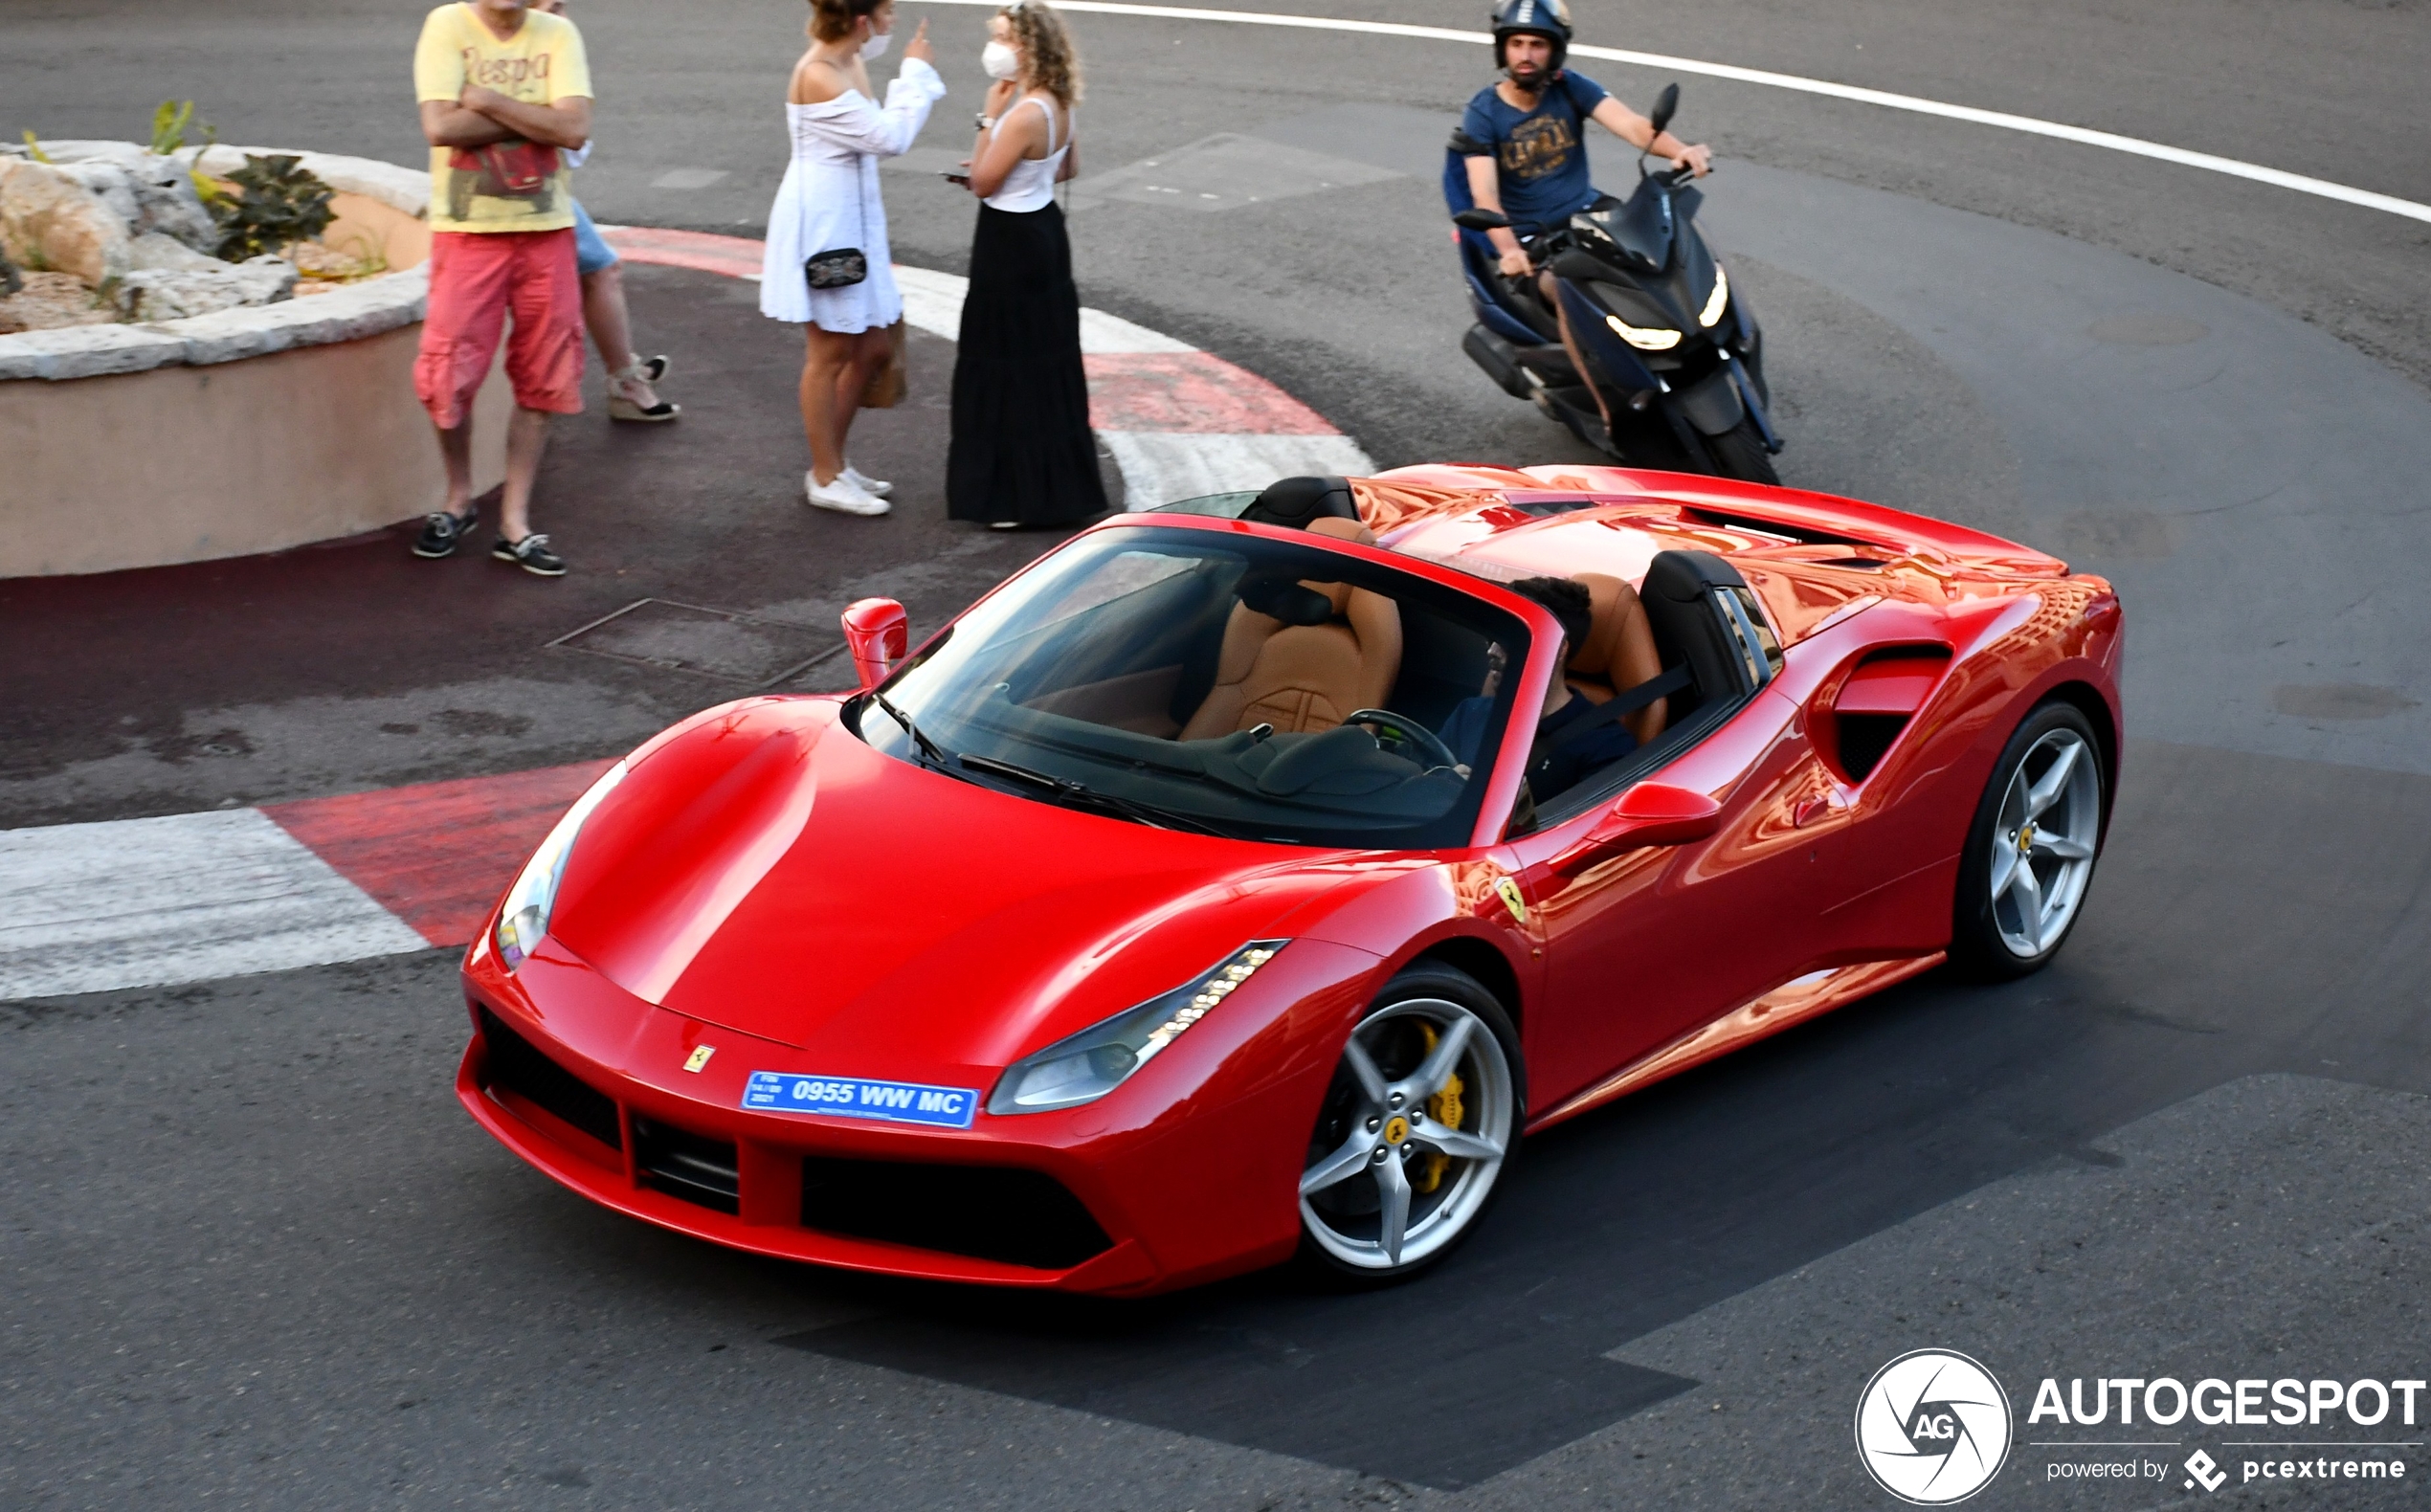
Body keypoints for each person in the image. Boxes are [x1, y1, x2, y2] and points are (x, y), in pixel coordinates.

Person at [1456, 0, 1712, 437]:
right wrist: (1510, 251)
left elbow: (1631, 126)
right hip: (1536, 241)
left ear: (1554, 51)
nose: (1526, 54)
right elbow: (1484, 193)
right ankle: (1609, 411)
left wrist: (1680, 151)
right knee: (1572, 293)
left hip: (1588, 215)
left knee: (1663, 243)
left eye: (1537, 44)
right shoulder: (1484, 113)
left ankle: (1692, 344)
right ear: (1502, 51)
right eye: (1516, 43)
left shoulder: (1570, 87)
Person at [411, 0, 593, 577]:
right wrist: (537, 114)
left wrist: (487, 100)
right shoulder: (446, 25)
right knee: (447, 374)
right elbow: (440, 127)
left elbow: (574, 128)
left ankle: (515, 521)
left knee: (544, 373)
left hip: (546, 232)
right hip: (468, 235)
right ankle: (458, 498)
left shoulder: (558, 33)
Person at [762, 0, 943, 517]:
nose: (895, 20)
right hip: (827, 229)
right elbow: (890, 137)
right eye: (888, 12)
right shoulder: (818, 74)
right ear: (863, 20)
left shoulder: (848, 61)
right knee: (831, 351)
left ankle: (834, 462)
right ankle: (824, 474)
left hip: (853, 220)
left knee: (874, 348)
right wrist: (916, 71)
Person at [945, 0, 1107, 530]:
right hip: (1043, 232)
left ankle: (1011, 496)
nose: (995, 47)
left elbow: (984, 184)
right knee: (1044, 358)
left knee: (1002, 359)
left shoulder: (1022, 111)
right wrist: (1013, 162)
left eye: (1003, 37)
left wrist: (987, 120)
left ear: (1027, 46)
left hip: (1008, 242)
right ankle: (1053, 487)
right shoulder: (1058, 101)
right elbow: (1069, 166)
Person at [532, 0, 677, 422]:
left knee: (595, 271)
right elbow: (571, 136)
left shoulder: (548, 48)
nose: (564, 17)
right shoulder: (525, 54)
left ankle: (624, 366)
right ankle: (626, 382)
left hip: (544, 185)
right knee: (601, 270)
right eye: (553, 7)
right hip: (531, 193)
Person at [1439, 576, 1643, 802]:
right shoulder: (1471, 713)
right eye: (1492, 636)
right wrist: (1438, 785)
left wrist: (1524, 814)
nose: (1492, 651)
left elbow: (1588, 832)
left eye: (1510, 637)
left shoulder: (1605, 746)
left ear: (1558, 648)